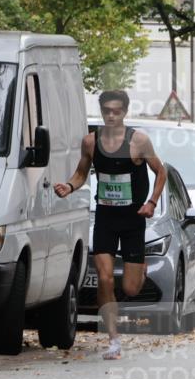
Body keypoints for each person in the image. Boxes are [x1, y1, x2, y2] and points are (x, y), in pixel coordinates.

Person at [54, 90, 167, 360]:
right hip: (105, 217)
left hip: (132, 220)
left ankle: (140, 270)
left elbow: (161, 172)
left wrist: (151, 202)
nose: (111, 115)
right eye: (107, 111)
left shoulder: (138, 141)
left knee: (130, 288)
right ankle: (113, 340)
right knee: (104, 277)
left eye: (117, 111)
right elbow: (82, 172)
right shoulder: (91, 142)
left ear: (125, 112)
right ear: (102, 111)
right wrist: (69, 186)